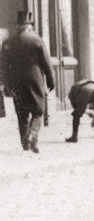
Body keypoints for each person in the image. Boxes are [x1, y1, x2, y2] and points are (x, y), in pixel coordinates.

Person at [0, 10, 55, 153]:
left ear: (18, 26)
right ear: (29, 27)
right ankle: (33, 135)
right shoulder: (37, 41)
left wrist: (5, 85)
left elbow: (3, 67)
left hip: (16, 82)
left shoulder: (7, 43)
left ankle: (25, 144)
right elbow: (47, 63)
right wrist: (51, 81)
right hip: (35, 80)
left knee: (21, 113)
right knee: (38, 110)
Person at [66, 78, 94, 142]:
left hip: (84, 90)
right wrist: (87, 112)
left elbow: (76, 107)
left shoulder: (71, 95)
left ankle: (74, 136)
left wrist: (82, 111)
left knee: (76, 115)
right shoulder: (80, 86)